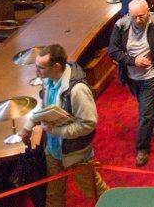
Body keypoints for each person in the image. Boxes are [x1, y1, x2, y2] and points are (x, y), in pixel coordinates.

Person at [21, 44, 109, 206]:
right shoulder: (48, 79)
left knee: (96, 191)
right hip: (53, 150)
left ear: (56, 67)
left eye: (40, 67)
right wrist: (29, 125)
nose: (37, 71)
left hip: (75, 152)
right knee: (54, 194)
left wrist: (57, 130)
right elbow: (44, 106)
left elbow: (88, 124)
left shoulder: (78, 90)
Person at [107, 0, 154, 166]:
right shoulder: (121, 25)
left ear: (149, 12)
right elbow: (113, 50)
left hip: (150, 77)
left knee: (144, 113)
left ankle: (142, 148)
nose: (138, 20)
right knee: (145, 106)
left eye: (142, 16)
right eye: (135, 17)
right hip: (131, 77)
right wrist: (133, 60)